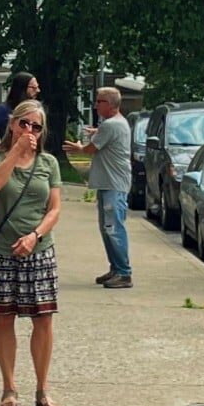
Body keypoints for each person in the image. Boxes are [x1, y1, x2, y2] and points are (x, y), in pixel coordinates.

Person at [0, 99, 64, 406]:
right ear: (13, 124)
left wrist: (35, 235)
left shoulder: (48, 163)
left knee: (43, 319)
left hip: (38, 250)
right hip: (1, 251)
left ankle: (42, 390)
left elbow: (54, 208)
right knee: (5, 317)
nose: (29, 130)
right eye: (24, 123)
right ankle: (9, 388)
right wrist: (16, 152)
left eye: (36, 126)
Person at [66, 85, 135, 288]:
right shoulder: (116, 124)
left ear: (111, 104)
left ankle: (123, 273)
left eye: (99, 101)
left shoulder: (111, 125)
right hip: (111, 183)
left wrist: (78, 147)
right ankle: (116, 268)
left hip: (113, 184)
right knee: (107, 228)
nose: (95, 105)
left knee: (113, 228)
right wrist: (97, 131)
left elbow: (89, 149)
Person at [0, 71, 38, 146]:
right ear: (21, 89)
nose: (37, 90)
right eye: (33, 88)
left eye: (37, 87)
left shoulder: (34, 110)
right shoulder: (4, 109)